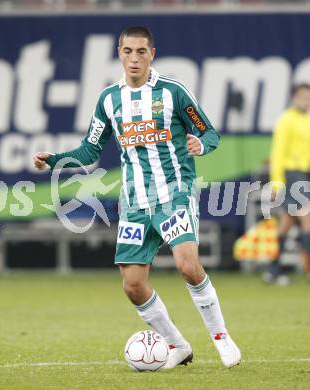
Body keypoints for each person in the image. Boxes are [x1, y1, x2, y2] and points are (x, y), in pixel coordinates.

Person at [34, 26, 241, 369]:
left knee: (187, 265)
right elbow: (90, 149)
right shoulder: (109, 100)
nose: (134, 58)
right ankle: (178, 345)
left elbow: (208, 131)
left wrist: (200, 144)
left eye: (141, 52)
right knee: (132, 285)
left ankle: (221, 337)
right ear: (119, 53)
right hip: (134, 202)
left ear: (152, 54)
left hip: (175, 192)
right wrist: (54, 160)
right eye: (128, 51)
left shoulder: (173, 92)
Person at [264, 83, 310, 285]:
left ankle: (272, 271)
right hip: (293, 176)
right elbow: (278, 153)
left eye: (308, 97)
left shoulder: (306, 120)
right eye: (302, 96)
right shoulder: (286, 120)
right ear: (293, 97)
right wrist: (276, 184)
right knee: (308, 221)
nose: (306, 100)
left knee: (286, 225)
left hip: (305, 175)